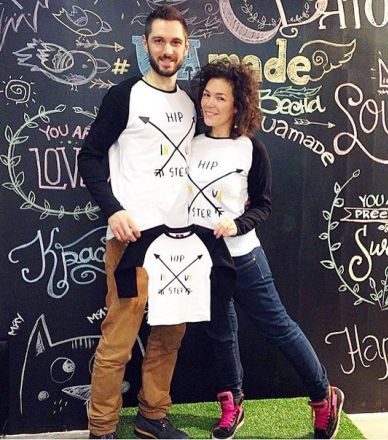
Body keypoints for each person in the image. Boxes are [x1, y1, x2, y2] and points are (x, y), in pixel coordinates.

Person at [188, 60, 345, 440]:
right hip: (201, 259)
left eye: (220, 97)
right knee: (221, 333)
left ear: (237, 105)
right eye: (207, 95)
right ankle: (232, 404)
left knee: (279, 329)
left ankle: (323, 396)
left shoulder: (250, 148)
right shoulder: (189, 143)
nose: (210, 103)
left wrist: (236, 224)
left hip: (243, 257)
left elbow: (262, 205)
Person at [78, 6, 196, 439]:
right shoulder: (124, 95)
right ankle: (102, 428)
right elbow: (89, 157)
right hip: (132, 242)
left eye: (176, 42)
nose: (167, 50)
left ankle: (152, 416)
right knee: (118, 341)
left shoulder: (191, 103)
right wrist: (113, 210)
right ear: (145, 44)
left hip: (180, 244)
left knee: (169, 337)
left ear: (187, 48)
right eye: (159, 41)